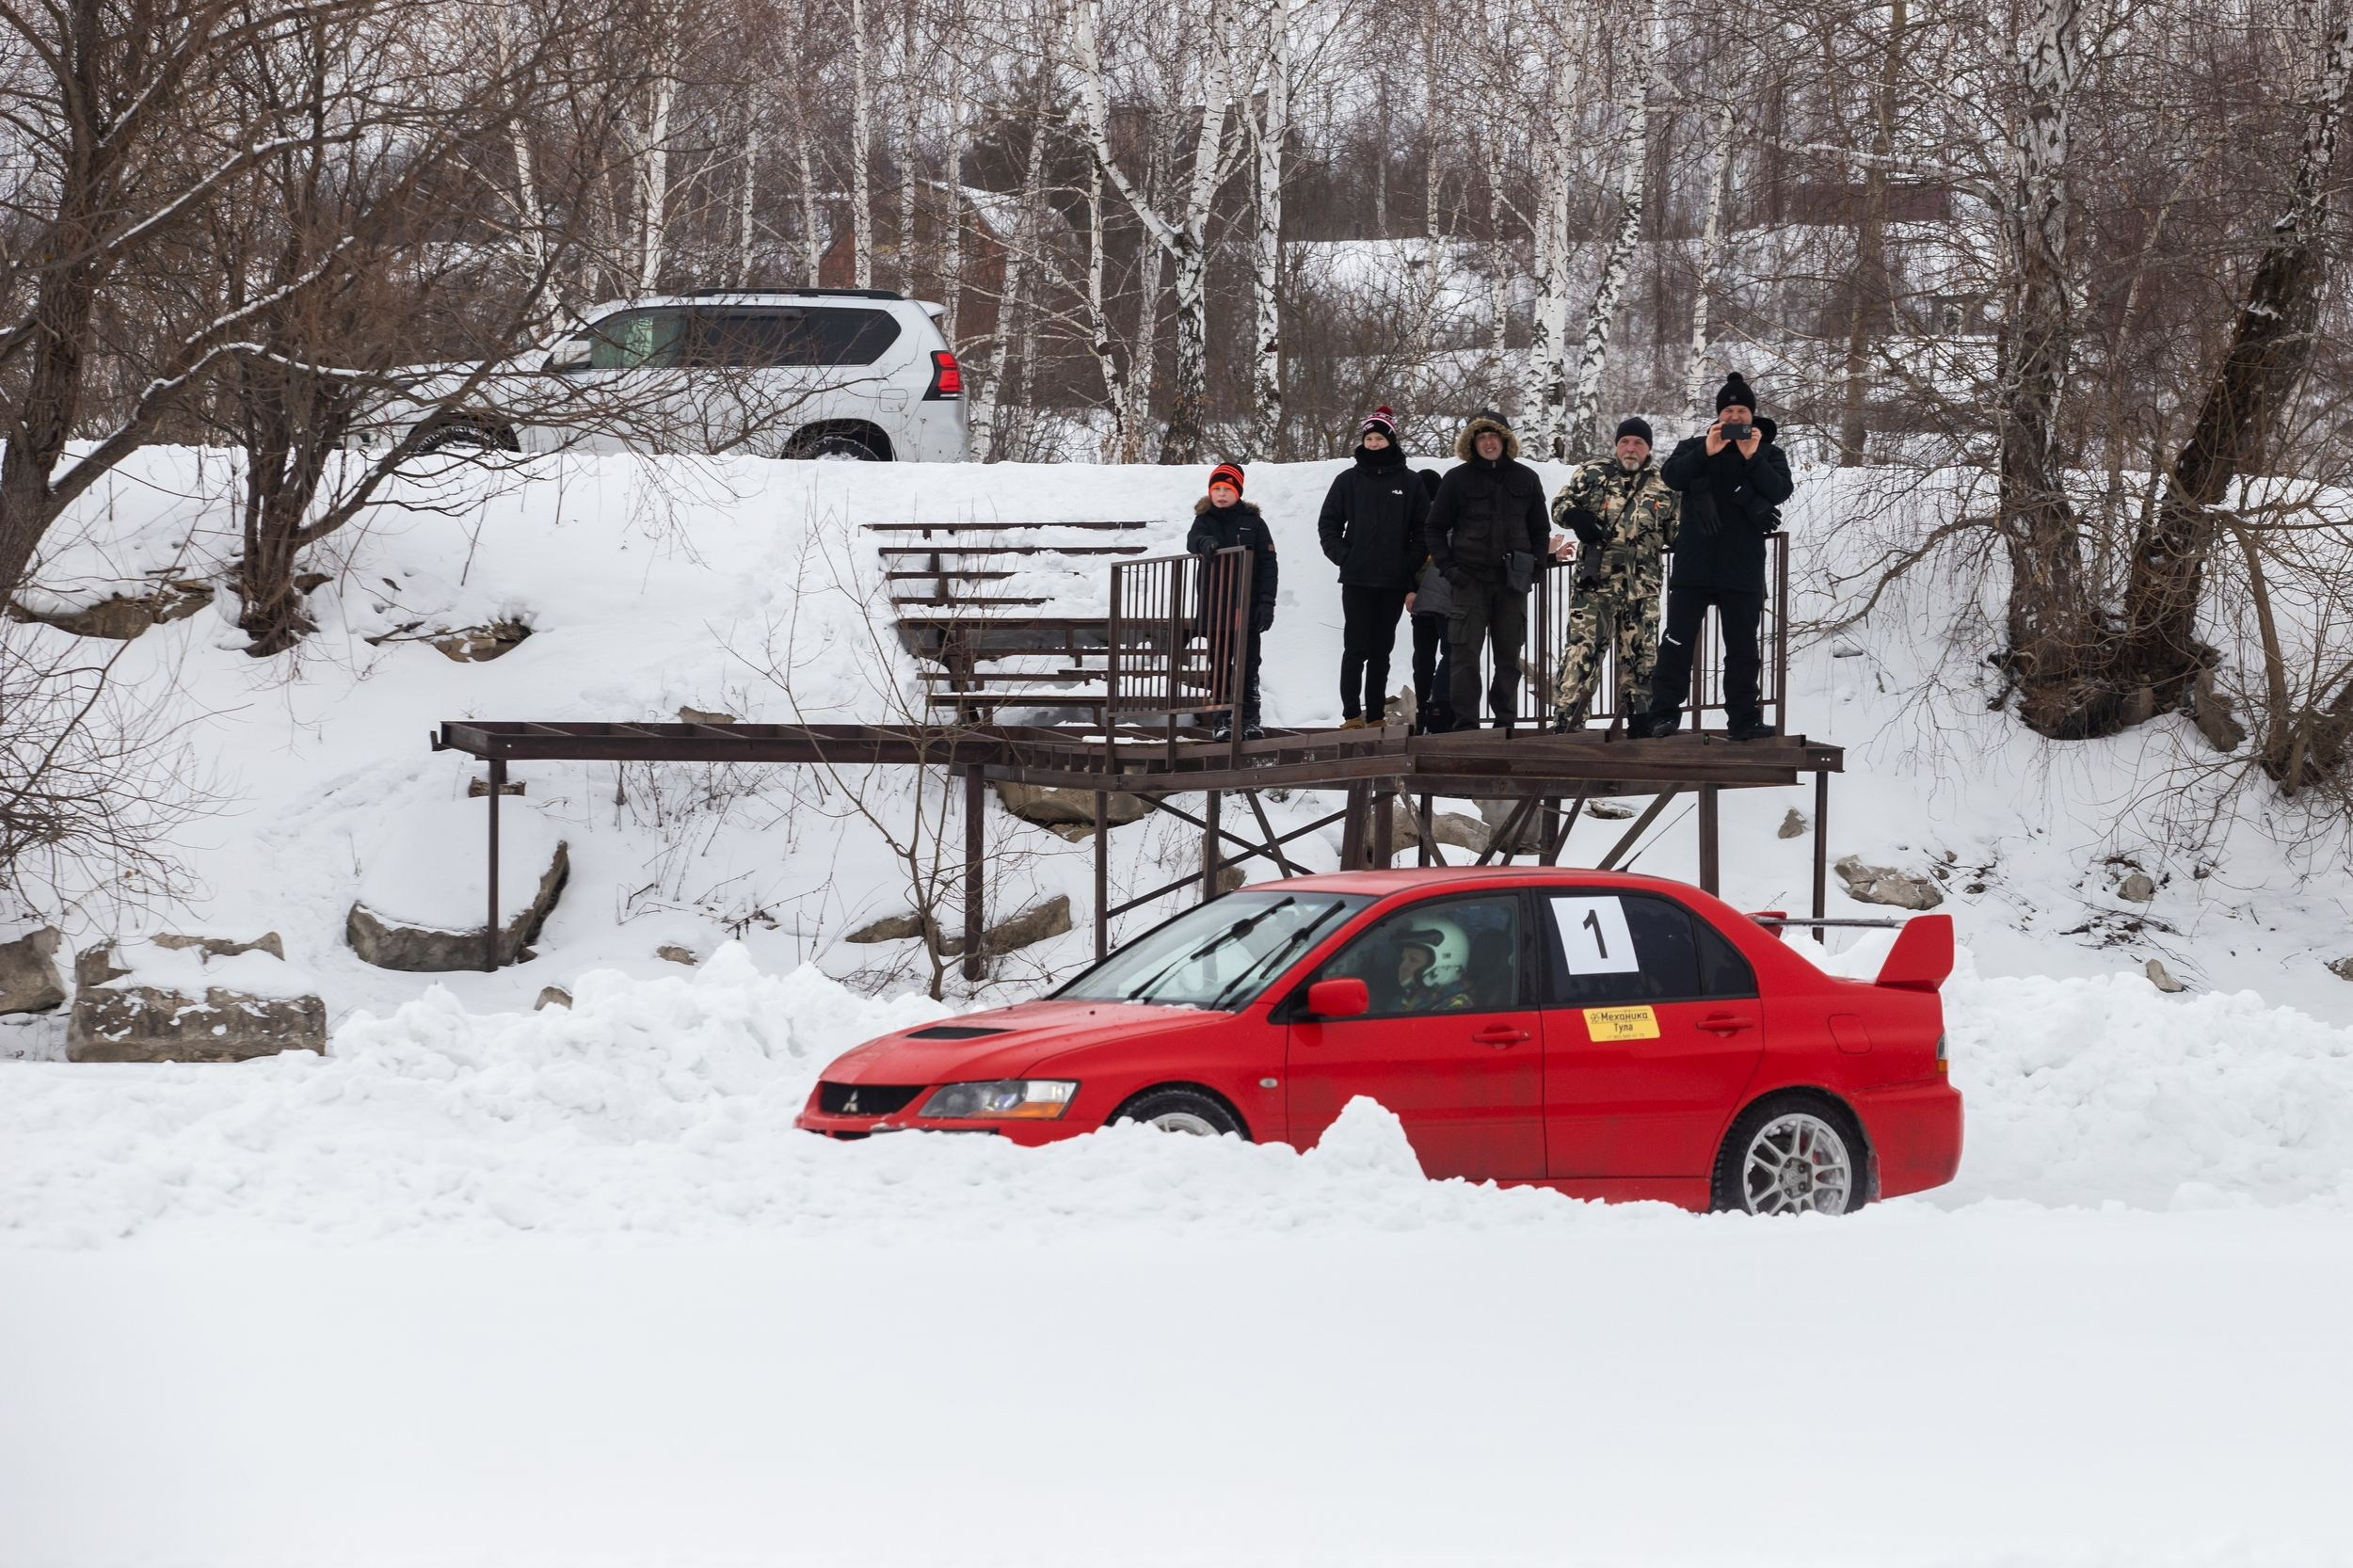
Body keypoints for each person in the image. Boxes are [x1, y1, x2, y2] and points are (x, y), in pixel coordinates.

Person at [1631, 373, 1793, 741]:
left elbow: (1780, 490)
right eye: (1728, 410)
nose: (1735, 417)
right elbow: (1672, 476)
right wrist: (1707, 451)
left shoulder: (1769, 451)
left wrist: (1752, 459)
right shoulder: (1694, 445)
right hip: (1695, 563)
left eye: (1741, 410)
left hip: (1743, 565)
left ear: (1751, 415)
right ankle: (1664, 715)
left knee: (1743, 647)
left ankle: (1743, 719)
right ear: (1719, 415)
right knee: (1677, 643)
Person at [1546, 416, 1680, 732]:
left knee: (1642, 657)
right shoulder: (1593, 472)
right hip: (1594, 587)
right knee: (1582, 652)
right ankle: (1568, 721)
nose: (1630, 449)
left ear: (1648, 448)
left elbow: (1677, 531)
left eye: (1638, 443)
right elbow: (1559, 504)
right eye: (1625, 442)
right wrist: (1576, 516)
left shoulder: (1665, 483)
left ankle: (1640, 724)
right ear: (1616, 444)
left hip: (1642, 588)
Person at [1424, 409, 1549, 732]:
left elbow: (1539, 530)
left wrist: (1535, 567)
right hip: (1469, 582)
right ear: (1472, 443)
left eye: (1494, 436)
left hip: (1512, 583)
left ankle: (1504, 724)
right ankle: (1466, 725)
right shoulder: (1456, 479)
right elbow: (1435, 529)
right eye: (1482, 437)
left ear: (1505, 440)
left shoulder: (1526, 478)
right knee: (1464, 657)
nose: (1489, 442)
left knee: (1509, 658)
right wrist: (1450, 569)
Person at [1317, 406, 1430, 729]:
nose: (1374, 443)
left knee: (1382, 651)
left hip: (1393, 580)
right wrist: (1343, 555)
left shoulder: (1410, 482)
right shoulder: (1348, 480)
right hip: (1357, 578)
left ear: (1390, 440)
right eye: (1370, 438)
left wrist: (1407, 563)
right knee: (1355, 648)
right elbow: (1329, 523)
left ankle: (1376, 715)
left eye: (1380, 438)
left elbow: (1423, 530)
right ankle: (1352, 715)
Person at [1187, 461, 1279, 742]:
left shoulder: (1254, 522)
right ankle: (1222, 720)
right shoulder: (1204, 519)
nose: (1222, 494)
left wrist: (1266, 603)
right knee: (1220, 664)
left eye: (1228, 488)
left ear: (1238, 491)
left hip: (1247, 607)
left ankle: (1250, 719)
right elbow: (1194, 540)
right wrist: (1206, 544)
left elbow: (1268, 563)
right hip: (1217, 607)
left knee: (1249, 664)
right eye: (1217, 488)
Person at [1406, 466, 1454, 733]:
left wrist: (1408, 590)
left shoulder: (1413, 518)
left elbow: (1407, 559)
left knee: (1423, 658)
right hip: (1446, 597)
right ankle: (1441, 710)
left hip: (1420, 599)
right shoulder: (1449, 516)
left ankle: (1424, 712)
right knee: (1451, 652)